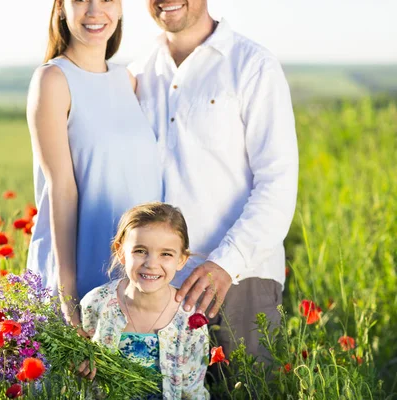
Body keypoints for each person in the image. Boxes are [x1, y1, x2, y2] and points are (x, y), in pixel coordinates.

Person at [130, 1, 299, 364]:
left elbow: (278, 181)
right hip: (159, 285)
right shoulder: (139, 72)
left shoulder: (252, 65)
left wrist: (227, 263)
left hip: (241, 280)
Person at [26, 0, 163, 328]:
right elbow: (61, 190)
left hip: (134, 275)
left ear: (119, 9)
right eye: (80, 0)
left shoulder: (127, 80)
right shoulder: (53, 80)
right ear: (61, 8)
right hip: (80, 266)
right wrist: (68, 294)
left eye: (106, 0)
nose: (93, 10)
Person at [80, 202, 210, 400]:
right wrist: (79, 367)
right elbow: (78, 372)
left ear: (181, 259)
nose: (151, 264)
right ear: (120, 251)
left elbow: (192, 392)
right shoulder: (97, 303)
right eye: (140, 251)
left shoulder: (190, 321)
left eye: (166, 254)